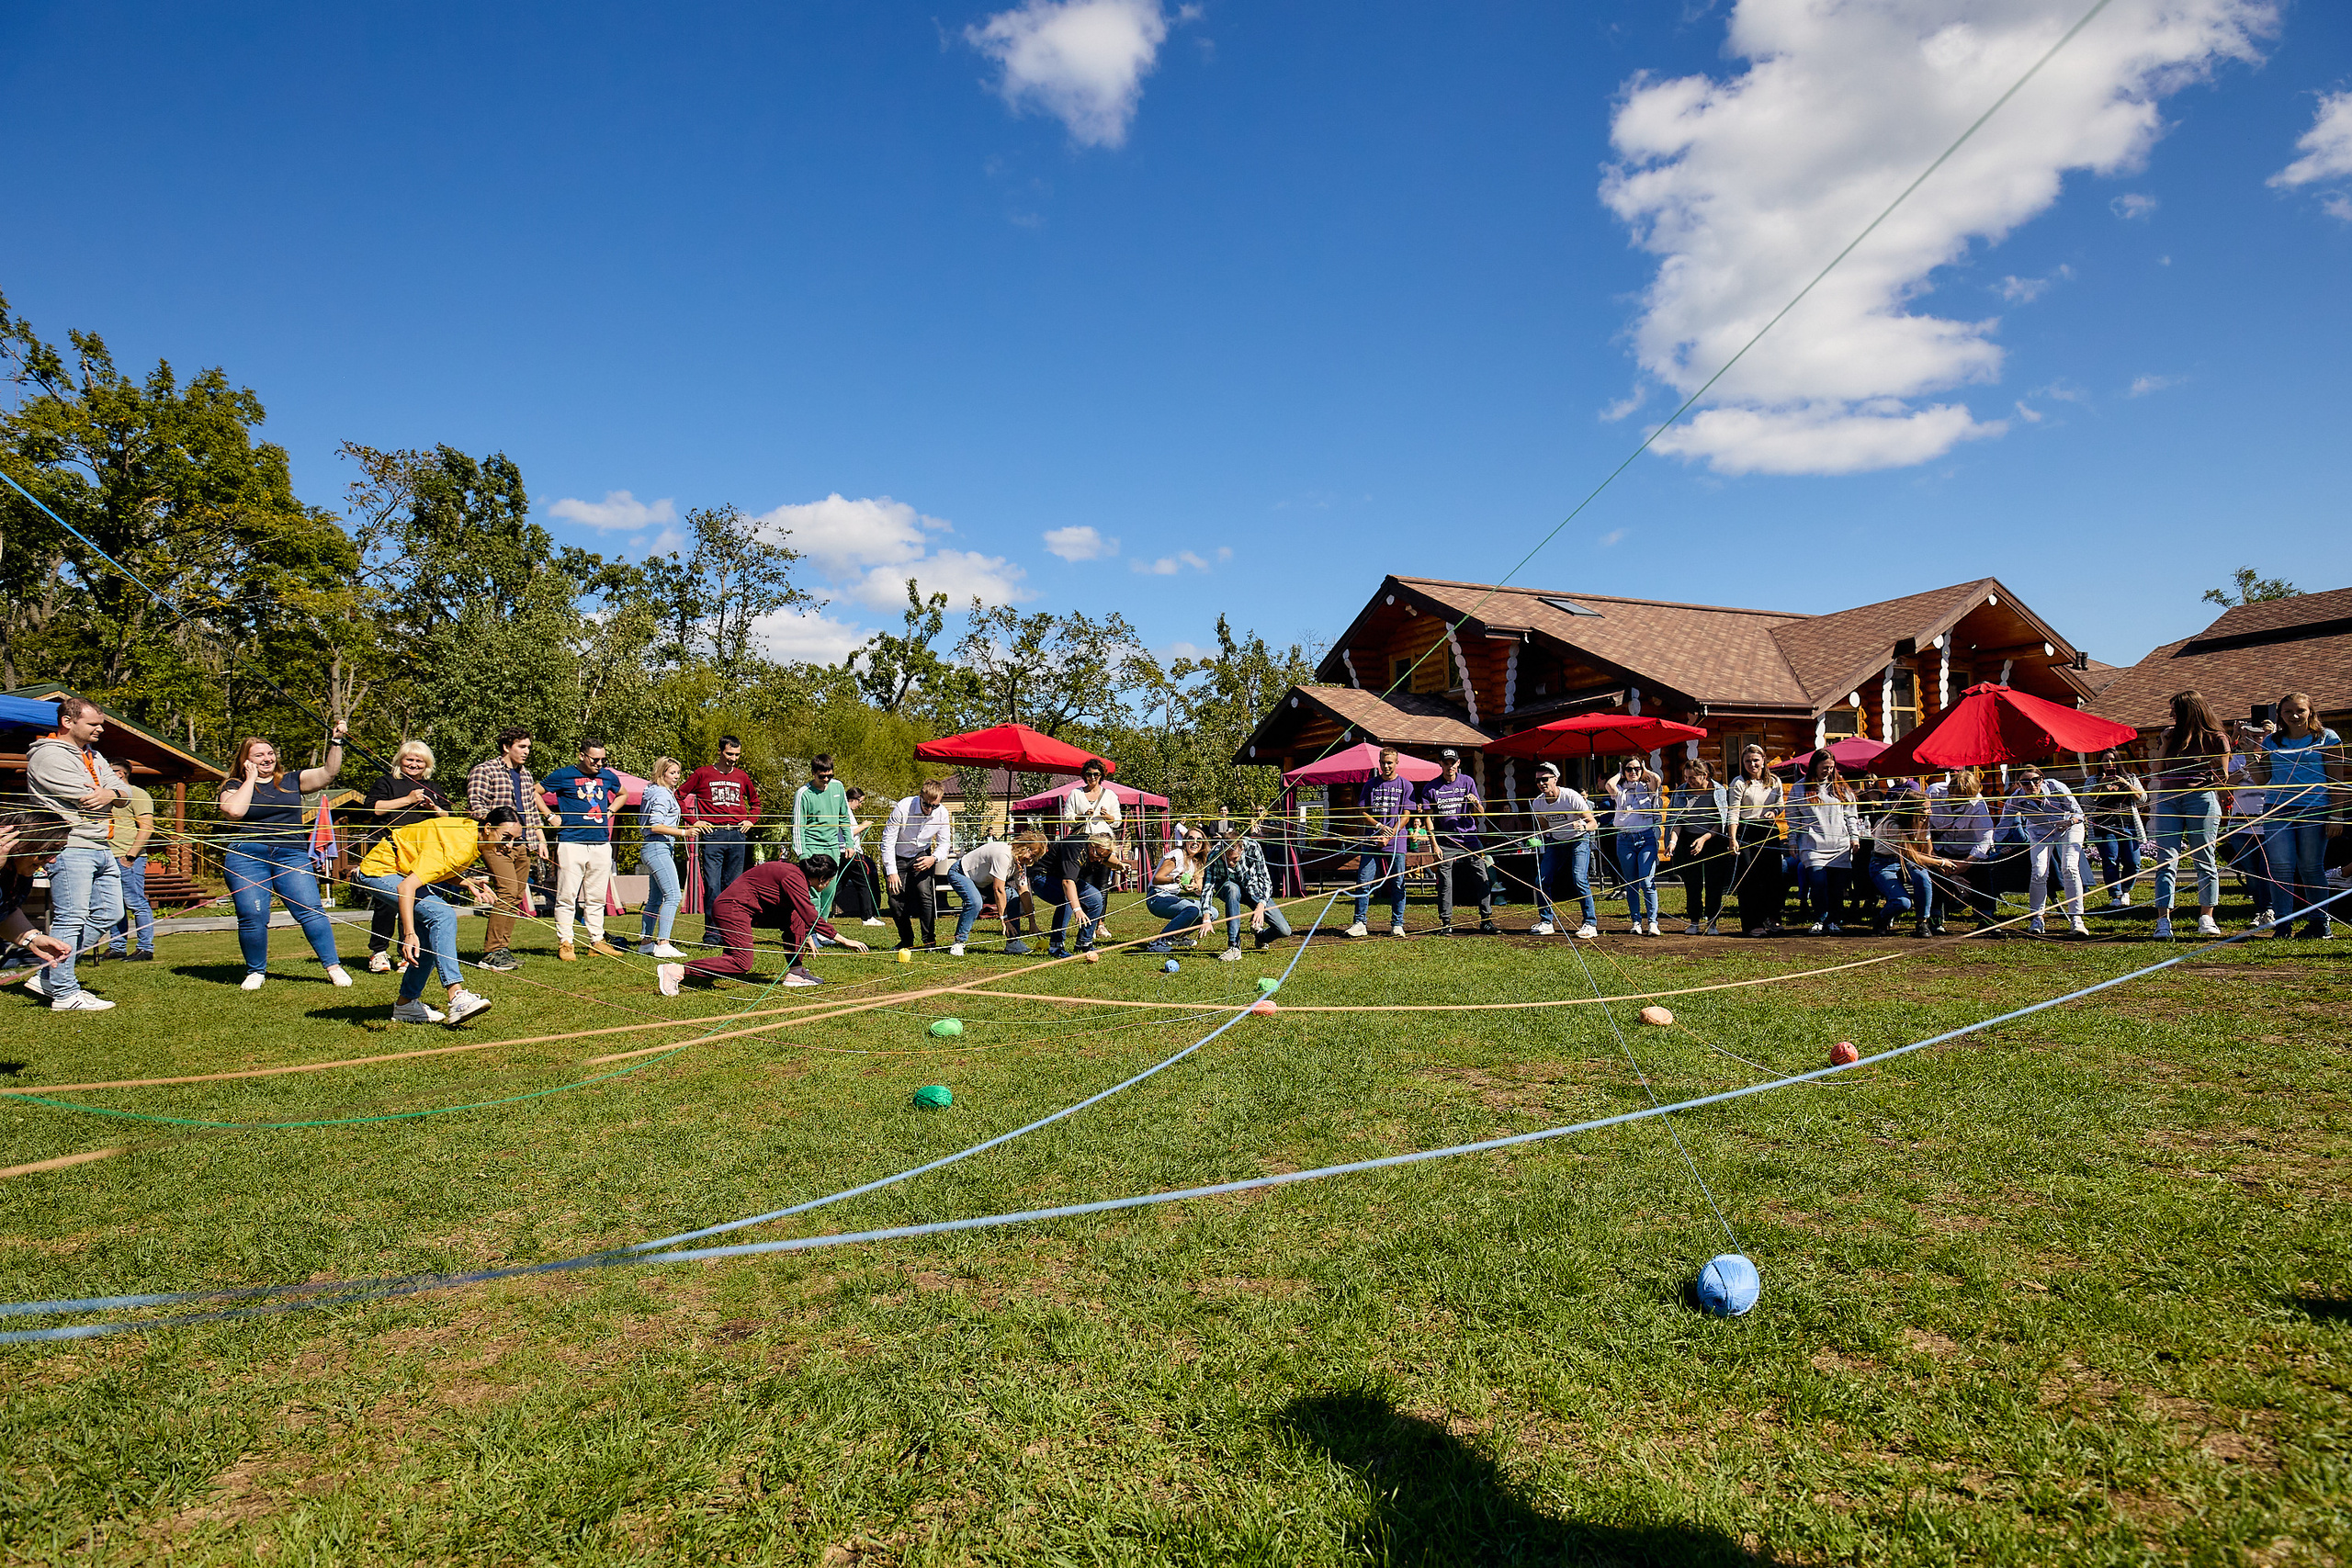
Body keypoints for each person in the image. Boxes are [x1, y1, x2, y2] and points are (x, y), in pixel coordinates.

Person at [217, 723, 352, 993]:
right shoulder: (233, 785)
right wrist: (250, 779)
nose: (267, 759)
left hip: (291, 853)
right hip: (246, 855)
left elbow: (328, 773)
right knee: (252, 914)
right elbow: (234, 812)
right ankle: (255, 971)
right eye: (259, 755)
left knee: (310, 909)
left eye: (270, 753)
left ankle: (333, 967)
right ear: (246, 761)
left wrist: (336, 742)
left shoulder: (291, 780)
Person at [350, 807, 514, 1025]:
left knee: (427, 939)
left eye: (515, 840)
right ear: (488, 828)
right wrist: (408, 933)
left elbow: (436, 866)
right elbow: (406, 887)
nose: (510, 846)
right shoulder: (462, 845)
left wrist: (466, 882)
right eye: (506, 837)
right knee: (443, 915)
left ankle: (406, 1004)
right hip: (379, 870)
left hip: (398, 870)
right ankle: (456, 997)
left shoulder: (470, 833)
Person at [21, 696, 133, 1010]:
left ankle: (50, 974)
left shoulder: (95, 755)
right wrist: (110, 794)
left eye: (101, 724)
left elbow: (123, 793)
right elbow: (86, 798)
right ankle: (64, 993)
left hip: (101, 845)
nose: (100, 730)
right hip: (71, 846)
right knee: (70, 918)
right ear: (68, 722)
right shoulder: (47, 756)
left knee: (112, 913)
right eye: (93, 724)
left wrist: (111, 792)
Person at [657, 854, 867, 994]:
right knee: (741, 962)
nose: (828, 884)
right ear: (822, 878)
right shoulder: (794, 878)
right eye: (830, 880)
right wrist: (843, 939)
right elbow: (810, 914)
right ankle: (677, 970)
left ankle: (795, 972)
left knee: (796, 917)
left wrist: (803, 934)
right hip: (732, 909)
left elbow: (802, 916)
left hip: (749, 911)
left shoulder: (794, 873)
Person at [2255, 692, 2346, 939]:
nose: (2294, 716)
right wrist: (2249, 752)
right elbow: (2263, 779)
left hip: (2315, 808)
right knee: (2281, 867)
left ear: (2311, 712)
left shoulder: (2327, 738)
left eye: (2300, 710)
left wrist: (2336, 815)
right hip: (2277, 809)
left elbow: (2337, 779)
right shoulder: (2272, 742)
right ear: (2280, 715)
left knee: (2311, 867)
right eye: (2288, 712)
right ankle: (2283, 925)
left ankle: (2319, 922)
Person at [357, 740, 452, 973]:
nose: (414, 764)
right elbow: (374, 809)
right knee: (386, 903)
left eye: (419, 760)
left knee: (414, 901)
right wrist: (408, 800)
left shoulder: (432, 787)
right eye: (409, 759)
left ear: (427, 764)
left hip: (418, 851)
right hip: (387, 848)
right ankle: (378, 952)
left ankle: (406, 951)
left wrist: (434, 808)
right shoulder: (386, 782)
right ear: (400, 760)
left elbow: (447, 815)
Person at [465, 728, 555, 971]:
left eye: (528, 747)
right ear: (506, 747)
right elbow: (476, 807)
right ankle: (491, 952)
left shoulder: (526, 776)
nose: (526, 752)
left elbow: (531, 812)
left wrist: (540, 839)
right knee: (506, 891)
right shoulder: (485, 770)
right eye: (522, 747)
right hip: (496, 842)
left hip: (523, 843)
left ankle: (502, 949)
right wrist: (500, 831)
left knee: (516, 896)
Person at [2149, 690, 2230, 940]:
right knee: (2166, 860)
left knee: (2204, 858)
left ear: (2190, 710)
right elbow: (2159, 773)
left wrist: (2212, 766)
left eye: (2175, 709)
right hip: (2168, 800)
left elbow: (2223, 776)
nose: (2171, 714)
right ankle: (2163, 921)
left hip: (2200, 800)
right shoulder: (2171, 737)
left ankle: (2207, 916)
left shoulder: (2216, 738)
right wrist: (2163, 744)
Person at [541, 739, 627, 962]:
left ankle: (596, 941)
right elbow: (534, 792)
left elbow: (623, 794)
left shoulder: (607, 776)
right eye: (595, 759)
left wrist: (610, 811)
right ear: (581, 756)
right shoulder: (562, 775)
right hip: (571, 842)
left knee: (597, 897)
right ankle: (566, 941)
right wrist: (550, 816)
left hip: (600, 843)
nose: (600, 764)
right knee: (567, 895)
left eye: (603, 759)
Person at [1999, 765, 2088, 936]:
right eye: (2025, 782)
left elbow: (2079, 813)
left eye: (2035, 780)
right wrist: (1997, 846)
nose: (2031, 785)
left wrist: (2069, 822)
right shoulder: (2016, 798)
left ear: (2042, 779)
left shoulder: (2056, 787)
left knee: (2069, 868)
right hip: (2040, 832)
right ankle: (2037, 918)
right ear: (2019, 784)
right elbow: (2004, 824)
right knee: (2039, 872)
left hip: (2069, 827)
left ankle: (2077, 919)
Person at [1417, 748, 1496, 935]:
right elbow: (1428, 818)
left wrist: (1475, 802)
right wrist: (1434, 844)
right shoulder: (1431, 787)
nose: (1449, 766)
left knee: (1482, 878)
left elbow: (1481, 813)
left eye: (1453, 762)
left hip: (1470, 839)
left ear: (1458, 763)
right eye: (1446, 762)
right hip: (1445, 842)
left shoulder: (1467, 782)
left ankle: (1486, 920)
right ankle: (1446, 923)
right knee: (1445, 882)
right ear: (1441, 764)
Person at [682, 735, 762, 917]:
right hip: (713, 835)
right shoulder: (702, 773)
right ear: (719, 751)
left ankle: (730, 931)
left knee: (733, 886)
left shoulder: (742, 776)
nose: (733, 758)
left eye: (737, 755)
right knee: (712, 885)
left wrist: (751, 820)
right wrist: (694, 821)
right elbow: (680, 795)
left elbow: (756, 803)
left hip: (737, 834)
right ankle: (711, 934)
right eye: (729, 754)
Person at [0, 814, 77, 992]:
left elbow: (5, 911)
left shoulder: (19, 873)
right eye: (47, 851)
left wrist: (33, 938)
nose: (53, 860)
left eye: (59, 851)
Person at [1786, 750, 1860, 935]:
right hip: (1813, 845)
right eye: (1824, 767)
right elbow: (1793, 817)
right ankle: (1820, 919)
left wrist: (1854, 837)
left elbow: (1851, 815)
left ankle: (1833, 920)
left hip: (1839, 845)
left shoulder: (1841, 788)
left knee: (1837, 888)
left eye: (1831, 768)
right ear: (1814, 766)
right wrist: (1792, 841)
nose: (1828, 771)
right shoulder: (1799, 788)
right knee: (1818, 882)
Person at [1350, 748, 1418, 939]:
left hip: (1396, 841)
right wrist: (1379, 826)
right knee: (1364, 880)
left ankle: (1397, 924)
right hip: (1372, 840)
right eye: (1383, 762)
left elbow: (1407, 814)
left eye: (1390, 762)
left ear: (1397, 763)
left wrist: (1391, 833)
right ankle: (1360, 922)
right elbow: (1363, 812)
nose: (1386, 766)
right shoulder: (1370, 785)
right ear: (1379, 763)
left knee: (1398, 883)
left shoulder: (1406, 785)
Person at [1527, 761, 1599, 938]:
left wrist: (1582, 825)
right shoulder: (1537, 804)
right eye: (1538, 781)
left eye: (1545, 779)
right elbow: (1545, 828)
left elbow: (1593, 823)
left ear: (1555, 779)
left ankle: (1590, 923)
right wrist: (1538, 837)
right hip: (1556, 843)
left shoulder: (1571, 797)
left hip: (1578, 841)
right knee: (1541, 880)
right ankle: (1546, 922)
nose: (1541, 784)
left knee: (1579, 878)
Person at [635, 756, 698, 958]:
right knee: (673, 896)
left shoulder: (654, 792)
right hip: (658, 847)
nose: (677, 777)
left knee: (655, 898)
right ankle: (663, 942)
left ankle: (646, 942)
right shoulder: (662, 794)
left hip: (653, 847)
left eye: (678, 773)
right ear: (661, 773)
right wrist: (683, 833)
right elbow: (656, 825)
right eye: (672, 773)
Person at [882, 779, 954, 953]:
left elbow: (945, 843)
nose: (930, 810)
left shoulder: (942, 813)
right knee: (895, 899)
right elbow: (887, 841)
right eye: (927, 805)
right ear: (920, 796)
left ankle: (929, 942)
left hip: (923, 855)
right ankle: (906, 941)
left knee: (925, 894)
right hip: (898, 856)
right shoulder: (903, 807)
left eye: (934, 806)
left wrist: (933, 858)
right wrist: (891, 871)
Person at [1664, 758, 1733, 936]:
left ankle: (1712, 922)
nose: (1689, 781)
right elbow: (1676, 820)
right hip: (1688, 839)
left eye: (1693, 777)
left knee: (1713, 883)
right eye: (1686, 777)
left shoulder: (1718, 791)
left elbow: (1722, 821)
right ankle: (1694, 921)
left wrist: (1704, 839)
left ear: (1705, 775)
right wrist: (1673, 841)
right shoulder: (1681, 792)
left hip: (1713, 839)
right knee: (1692, 883)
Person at [1926, 769, 1999, 935]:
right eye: (1956, 796)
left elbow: (1986, 836)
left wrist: (1966, 863)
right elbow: (1923, 825)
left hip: (1968, 851)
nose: (1960, 800)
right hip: (1939, 848)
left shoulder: (1978, 804)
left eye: (1965, 797)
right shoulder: (1933, 793)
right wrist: (1933, 856)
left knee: (1983, 873)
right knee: (1934, 875)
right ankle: (1934, 916)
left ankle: (1986, 917)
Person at [949, 830, 1046, 956]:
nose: (1031, 860)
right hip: (960, 873)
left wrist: (1032, 922)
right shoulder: (1003, 855)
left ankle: (1013, 943)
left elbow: (1024, 892)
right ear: (1024, 848)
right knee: (975, 902)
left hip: (983, 881)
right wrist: (1004, 920)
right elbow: (998, 889)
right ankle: (959, 942)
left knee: (1013, 897)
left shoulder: (1020, 864)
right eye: (1032, 855)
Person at [1726, 744, 1786, 938]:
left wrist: (1774, 812)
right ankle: (1752, 922)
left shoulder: (1774, 781)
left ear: (1763, 761)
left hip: (1768, 829)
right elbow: (1733, 811)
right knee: (1749, 877)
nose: (1752, 764)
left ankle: (1772, 916)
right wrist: (1733, 838)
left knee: (1773, 876)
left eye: (1755, 760)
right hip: (1746, 830)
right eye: (1747, 761)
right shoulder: (1739, 782)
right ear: (1743, 763)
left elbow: (1780, 804)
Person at [1604, 756, 1668, 935]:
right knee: (1631, 883)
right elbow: (1609, 785)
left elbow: (1657, 780)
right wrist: (1619, 773)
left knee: (1647, 881)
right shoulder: (1619, 790)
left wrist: (1645, 770)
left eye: (1637, 769)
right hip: (1625, 839)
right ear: (1623, 771)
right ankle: (1636, 922)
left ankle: (1653, 922)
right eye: (1629, 769)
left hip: (1646, 838)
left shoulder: (1646, 788)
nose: (1633, 772)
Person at [1207, 829, 1292, 956]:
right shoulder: (1213, 854)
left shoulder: (1253, 847)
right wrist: (1206, 917)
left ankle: (1261, 937)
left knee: (1284, 930)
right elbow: (1207, 887)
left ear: (1241, 849)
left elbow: (1265, 880)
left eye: (1234, 858)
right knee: (1233, 889)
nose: (1230, 863)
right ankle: (1234, 947)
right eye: (1226, 858)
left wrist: (1260, 906)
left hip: (1253, 889)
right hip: (1228, 888)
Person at [101, 771, 157, 964]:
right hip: (109, 856)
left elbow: (147, 827)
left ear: (119, 773)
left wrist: (131, 855)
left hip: (127, 856)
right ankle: (117, 947)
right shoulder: (106, 796)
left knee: (136, 902)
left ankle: (145, 948)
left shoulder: (137, 794)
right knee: (116, 905)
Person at [791, 755, 854, 919]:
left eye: (829, 776)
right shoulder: (803, 793)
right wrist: (802, 855)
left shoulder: (838, 787)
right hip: (812, 848)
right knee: (814, 891)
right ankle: (811, 930)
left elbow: (844, 817)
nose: (826, 780)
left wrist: (849, 842)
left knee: (829, 890)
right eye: (822, 776)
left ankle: (822, 928)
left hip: (832, 847)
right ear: (813, 773)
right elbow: (797, 827)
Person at [1032, 833, 1114, 957]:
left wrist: (1120, 865)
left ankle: (1084, 944)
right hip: (1042, 877)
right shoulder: (1074, 849)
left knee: (1096, 898)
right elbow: (1067, 882)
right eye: (1098, 855)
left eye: (1103, 857)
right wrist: (1077, 909)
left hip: (1063, 878)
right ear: (1092, 845)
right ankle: (1056, 946)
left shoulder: (1097, 851)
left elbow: (1108, 858)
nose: (1099, 859)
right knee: (1067, 900)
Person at [2085, 750, 2148, 910]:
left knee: (2133, 862)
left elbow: (2142, 799)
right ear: (2100, 763)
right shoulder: (2093, 780)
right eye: (2105, 760)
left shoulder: (2130, 778)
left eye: (2112, 760)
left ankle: (2126, 890)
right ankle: (2115, 895)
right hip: (2104, 826)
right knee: (2111, 860)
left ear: (2118, 761)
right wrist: (2100, 784)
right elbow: (2085, 802)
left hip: (2128, 825)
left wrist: (2125, 784)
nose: (2109, 764)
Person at [2223, 754, 2278, 931]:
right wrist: (2246, 767)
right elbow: (2225, 786)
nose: (2256, 737)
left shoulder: (2273, 755)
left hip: (2268, 823)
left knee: (2266, 869)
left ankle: (2268, 909)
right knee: (2251, 871)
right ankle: (2260, 910)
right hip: (2241, 825)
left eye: (2261, 733)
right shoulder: (2237, 759)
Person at [1143, 825, 1216, 954]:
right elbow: (1157, 879)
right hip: (1157, 897)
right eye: (1191, 839)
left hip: (1173, 897)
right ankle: (1160, 941)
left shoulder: (1197, 862)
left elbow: (1199, 889)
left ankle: (1178, 937)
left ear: (1202, 844)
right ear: (1185, 841)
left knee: (1212, 912)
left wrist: (1195, 887)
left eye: (1199, 840)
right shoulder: (1177, 854)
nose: (1194, 842)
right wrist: (1174, 879)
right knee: (1192, 910)